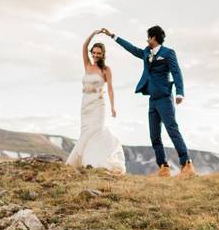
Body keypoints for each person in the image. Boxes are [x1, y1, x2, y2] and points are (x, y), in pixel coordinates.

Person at [102, 25, 194, 177]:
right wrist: (113, 36)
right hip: (153, 100)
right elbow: (131, 48)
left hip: (165, 98)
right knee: (154, 135)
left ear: (153, 37)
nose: (146, 39)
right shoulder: (146, 52)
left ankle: (187, 164)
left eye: (148, 37)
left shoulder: (168, 53)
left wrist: (180, 93)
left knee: (172, 130)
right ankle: (163, 167)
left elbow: (177, 72)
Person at [65, 30, 127, 174]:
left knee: (95, 132)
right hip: (85, 104)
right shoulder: (87, 65)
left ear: (103, 54)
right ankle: (85, 160)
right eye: (94, 52)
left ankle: (94, 161)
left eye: (99, 53)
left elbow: (110, 89)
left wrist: (113, 107)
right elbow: (83, 47)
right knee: (85, 132)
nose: (96, 55)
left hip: (98, 106)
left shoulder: (106, 70)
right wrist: (94, 34)